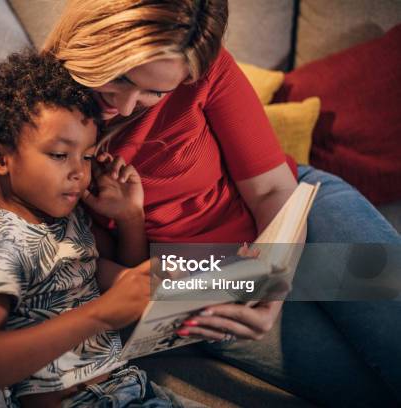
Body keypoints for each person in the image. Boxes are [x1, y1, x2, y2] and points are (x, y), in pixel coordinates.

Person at [42, 0, 401, 406]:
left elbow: (271, 191)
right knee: (372, 386)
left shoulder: (206, 71)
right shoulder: (39, 117)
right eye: (122, 78)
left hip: (297, 220)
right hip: (202, 275)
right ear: (97, 39)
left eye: (154, 92)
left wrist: (273, 286)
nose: (124, 107)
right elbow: (85, 266)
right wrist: (175, 286)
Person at [0, 49, 205, 408]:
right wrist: (99, 314)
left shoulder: (67, 220)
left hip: (130, 386)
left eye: (86, 156)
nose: (79, 173)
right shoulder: (0, 238)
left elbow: (115, 280)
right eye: (59, 155)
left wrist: (132, 218)